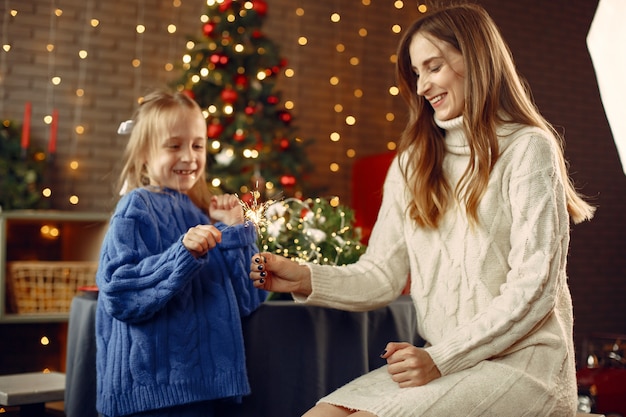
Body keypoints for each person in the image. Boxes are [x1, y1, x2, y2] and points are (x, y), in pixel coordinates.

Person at [249, 3, 595, 416]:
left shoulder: (527, 149)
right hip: (445, 364)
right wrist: (305, 278)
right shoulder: (413, 161)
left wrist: (441, 358)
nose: (422, 86)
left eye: (433, 67)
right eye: (416, 73)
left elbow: (534, 289)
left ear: (476, 59)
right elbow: (381, 274)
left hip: (522, 367)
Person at [95, 90, 266, 417]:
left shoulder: (201, 213)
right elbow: (118, 293)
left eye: (197, 145)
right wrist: (181, 255)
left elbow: (247, 303)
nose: (189, 157)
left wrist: (236, 234)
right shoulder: (136, 206)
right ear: (145, 152)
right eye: (174, 146)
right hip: (153, 397)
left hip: (208, 391)